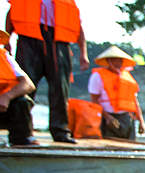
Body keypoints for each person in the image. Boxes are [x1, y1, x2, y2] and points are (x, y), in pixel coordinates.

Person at [5, 0, 89, 143]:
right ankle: (21, 133)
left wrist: (83, 53)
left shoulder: (68, 3)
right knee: (24, 87)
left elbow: (78, 27)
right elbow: (11, 15)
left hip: (59, 43)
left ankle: (60, 131)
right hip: (28, 40)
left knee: (60, 89)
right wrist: (8, 41)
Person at [88, 46, 145, 139]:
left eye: (120, 61)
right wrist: (107, 117)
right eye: (114, 60)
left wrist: (141, 121)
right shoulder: (97, 76)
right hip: (108, 118)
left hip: (127, 118)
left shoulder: (127, 77)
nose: (118, 63)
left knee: (130, 147)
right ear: (108, 61)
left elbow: (134, 101)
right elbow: (94, 100)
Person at [0, 29, 37, 146]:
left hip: (3, 109)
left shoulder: (5, 56)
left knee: (23, 101)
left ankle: (22, 141)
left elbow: (28, 84)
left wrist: (7, 96)